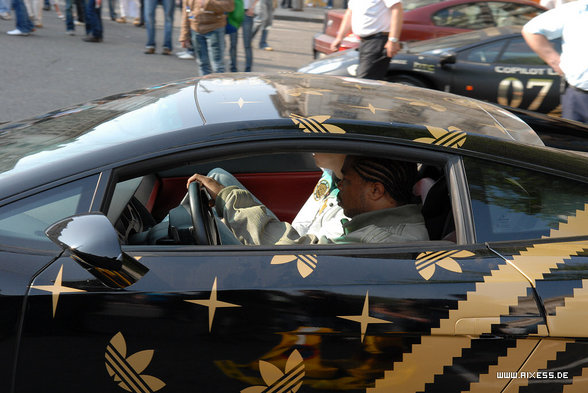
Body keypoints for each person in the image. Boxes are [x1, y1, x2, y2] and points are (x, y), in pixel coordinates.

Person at [187, 155, 429, 245]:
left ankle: (147, 262)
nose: (339, 185)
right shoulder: (384, 228)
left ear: (376, 191)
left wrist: (228, 198)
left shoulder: (379, 241)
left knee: (203, 225)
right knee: (217, 179)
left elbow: (298, 253)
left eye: (347, 181)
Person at [522, 0, 588, 124]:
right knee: (575, 140)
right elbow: (531, 30)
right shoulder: (576, 10)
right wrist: (554, 61)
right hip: (580, 96)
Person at [330, 0, 403, 80]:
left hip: (377, 40)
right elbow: (349, 13)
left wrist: (393, 40)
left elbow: (397, 9)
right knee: (364, 79)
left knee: (365, 81)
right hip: (364, 42)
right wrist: (339, 38)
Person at [179, 0, 234, 76]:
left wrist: (207, 3)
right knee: (202, 65)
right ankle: (205, 87)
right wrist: (184, 35)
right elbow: (187, 10)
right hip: (196, 30)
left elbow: (229, 6)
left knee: (217, 66)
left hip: (215, 29)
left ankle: (218, 87)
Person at [228, 0, 256, 72]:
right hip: (233, 12)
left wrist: (252, 7)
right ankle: (233, 68)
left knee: (247, 44)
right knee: (233, 44)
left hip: (246, 13)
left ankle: (248, 70)